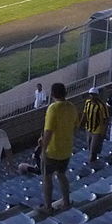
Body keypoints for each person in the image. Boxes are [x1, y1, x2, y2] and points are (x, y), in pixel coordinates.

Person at [41, 82, 77, 212]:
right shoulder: (71, 107)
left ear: (52, 94)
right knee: (62, 175)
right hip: (66, 149)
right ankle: (66, 202)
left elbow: (48, 131)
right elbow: (75, 124)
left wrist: (43, 149)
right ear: (65, 93)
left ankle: (48, 207)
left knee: (47, 177)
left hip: (52, 150)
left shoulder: (53, 108)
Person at [80, 87, 109, 163]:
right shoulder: (87, 102)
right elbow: (85, 113)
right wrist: (81, 123)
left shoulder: (102, 106)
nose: (92, 96)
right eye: (91, 95)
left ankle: (92, 162)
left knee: (93, 149)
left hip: (97, 129)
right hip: (88, 128)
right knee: (90, 147)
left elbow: (106, 119)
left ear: (97, 95)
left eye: (94, 95)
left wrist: (104, 132)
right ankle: (94, 160)